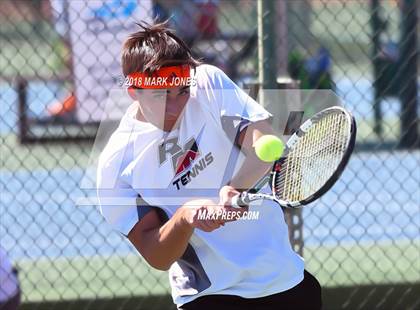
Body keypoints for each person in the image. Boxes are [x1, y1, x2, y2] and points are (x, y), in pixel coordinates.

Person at [97, 21, 322, 310]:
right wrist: (186, 217)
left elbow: (263, 143)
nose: (176, 106)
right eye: (161, 95)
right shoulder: (116, 165)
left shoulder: (207, 84)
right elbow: (158, 255)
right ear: (133, 91)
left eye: (181, 91)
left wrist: (234, 188)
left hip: (285, 283)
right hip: (207, 298)